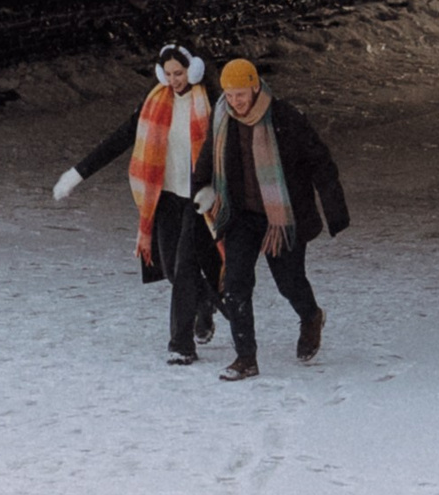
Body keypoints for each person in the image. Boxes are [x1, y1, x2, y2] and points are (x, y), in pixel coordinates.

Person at [50, 45, 222, 360]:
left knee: (184, 268)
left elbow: (229, 152)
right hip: (165, 198)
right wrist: (77, 174)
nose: (174, 80)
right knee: (170, 269)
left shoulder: (211, 104)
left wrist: (215, 187)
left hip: (198, 200)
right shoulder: (154, 103)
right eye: (168, 74)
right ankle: (205, 300)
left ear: (195, 70)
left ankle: (181, 346)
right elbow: (120, 138)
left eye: (180, 73)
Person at [192, 56, 347, 379]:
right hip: (241, 215)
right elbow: (207, 156)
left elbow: (320, 161)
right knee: (235, 285)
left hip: (282, 217)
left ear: (255, 87)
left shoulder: (285, 118)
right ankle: (245, 358)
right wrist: (202, 188)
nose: (235, 102)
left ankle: (311, 316)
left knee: (289, 282)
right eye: (229, 95)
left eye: (240, 95)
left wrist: (334, 209)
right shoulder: (222, 119)